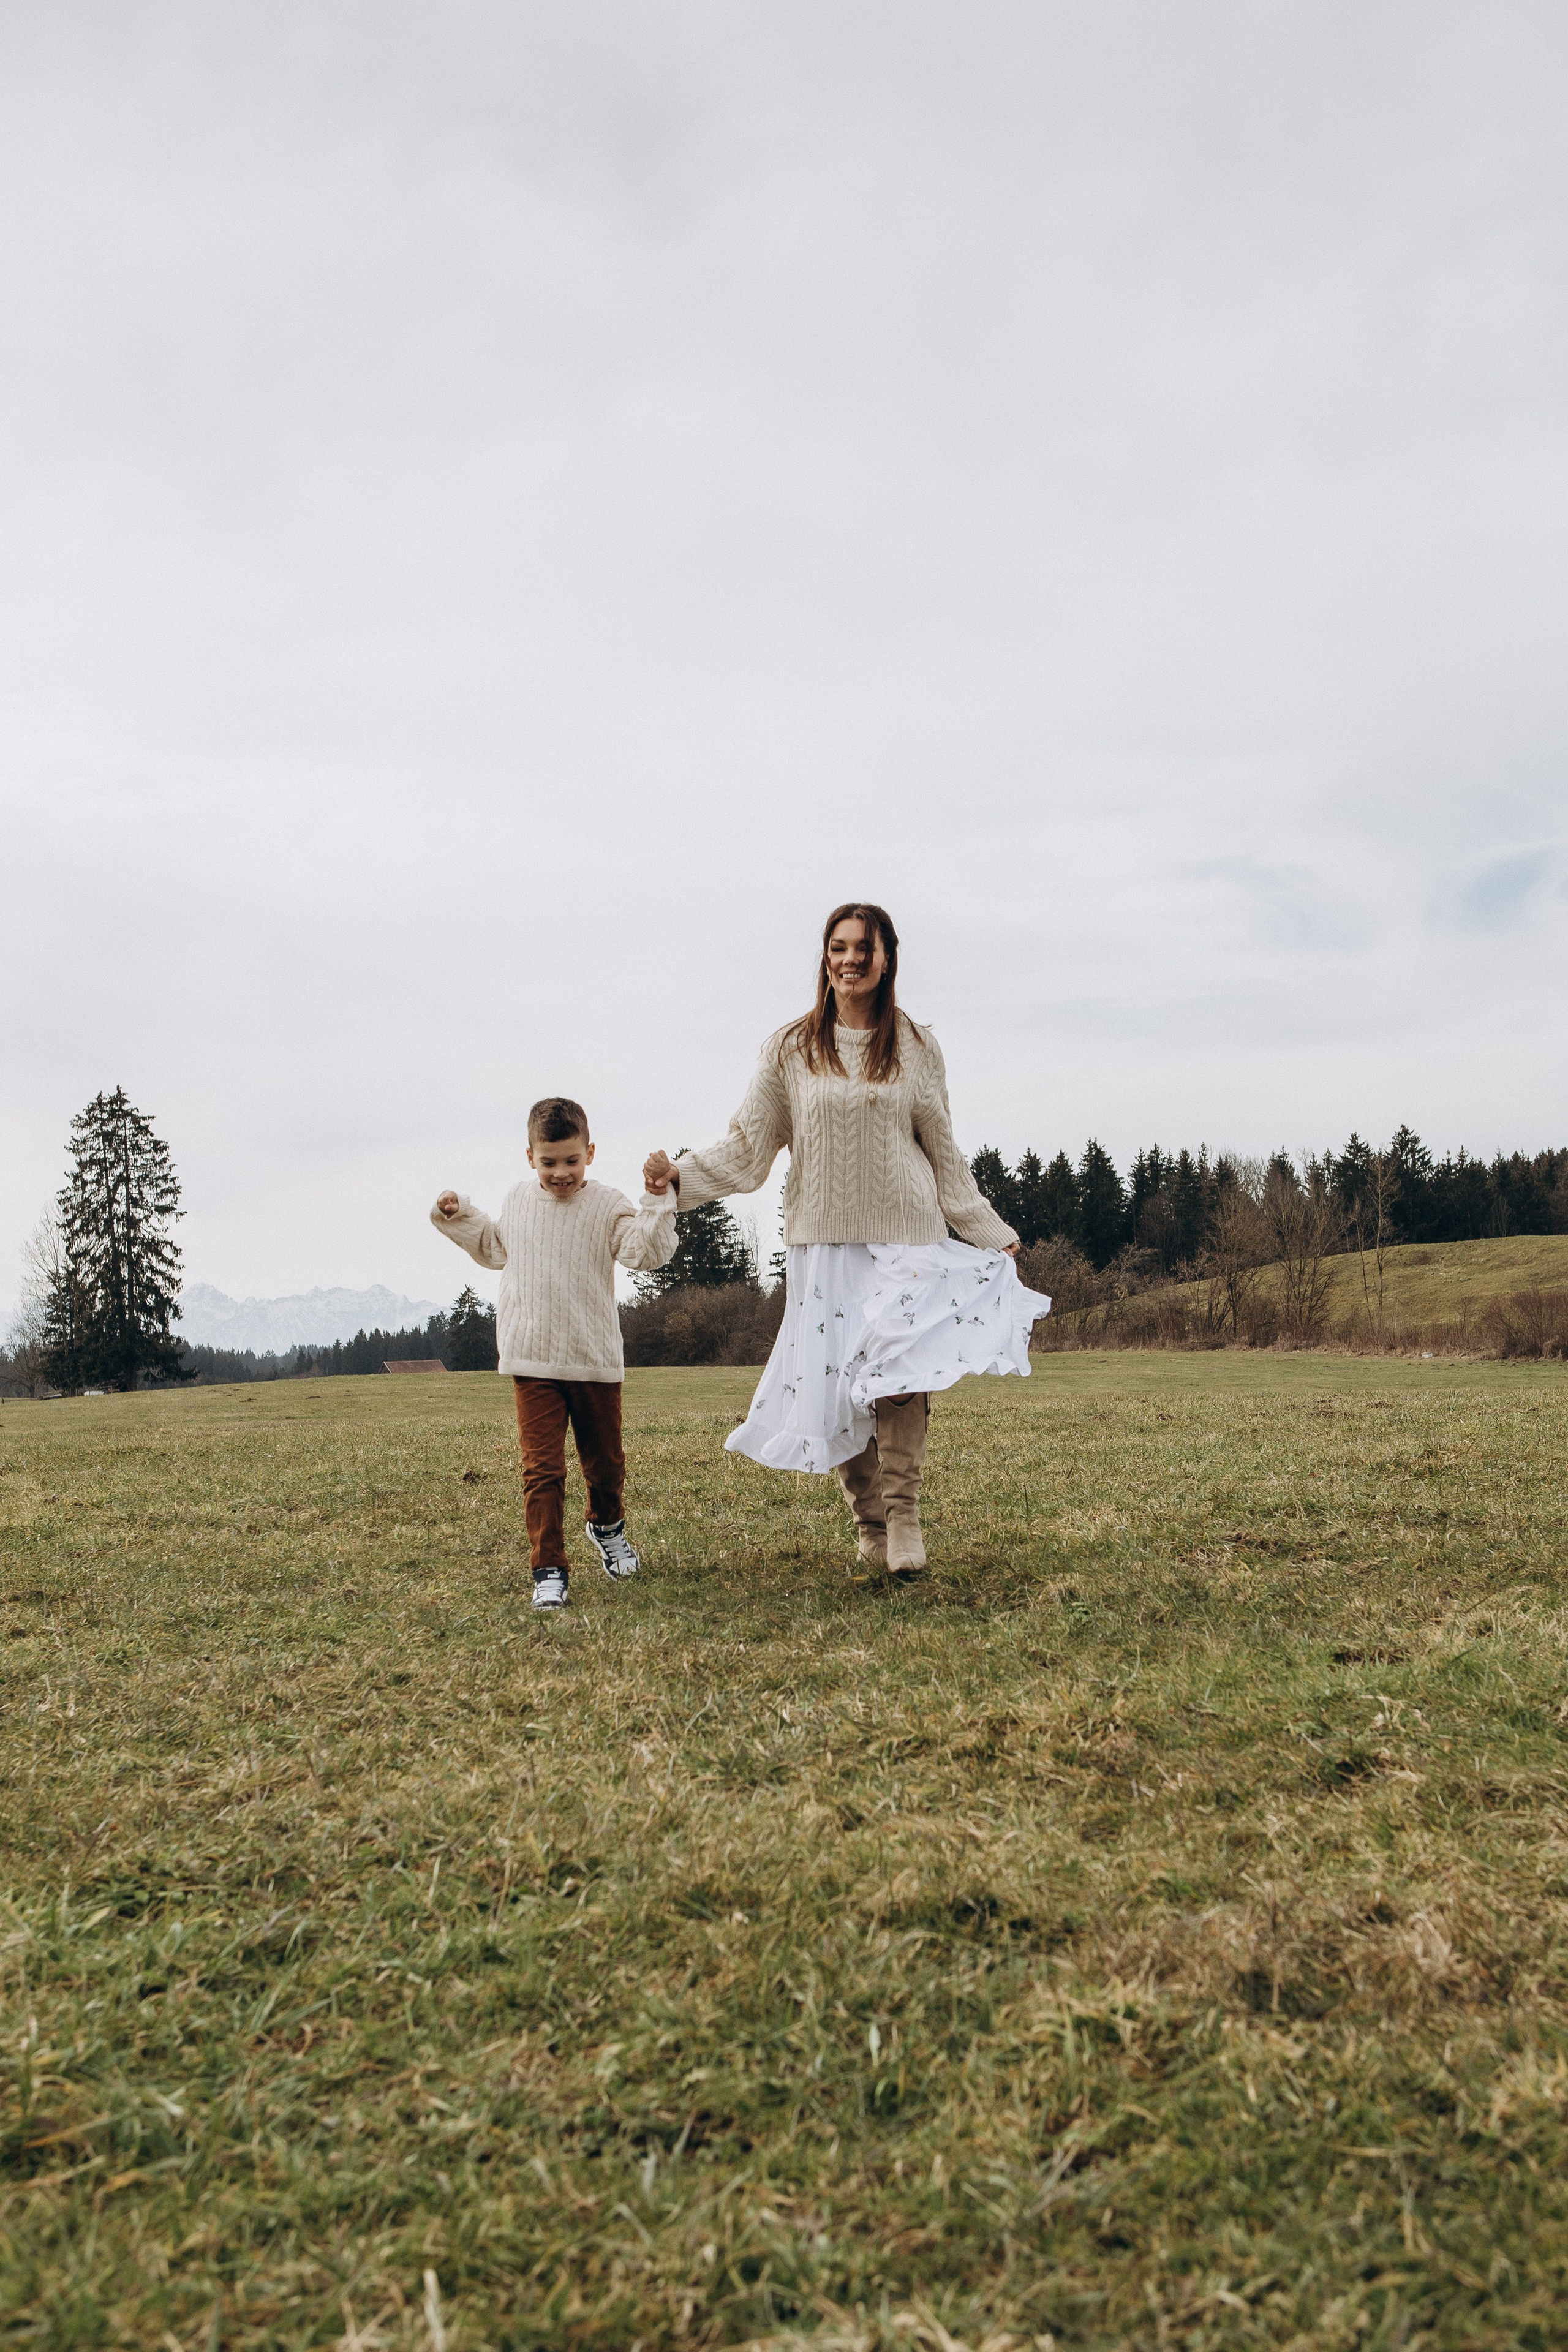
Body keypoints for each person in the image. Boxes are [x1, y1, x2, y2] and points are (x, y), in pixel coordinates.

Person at [643, 903, 1050, 1581]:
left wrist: (988, 1231)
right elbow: (748, 1149)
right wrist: (678, 1178)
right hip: (825, 1243)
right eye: (838, 947)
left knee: (898, 1376)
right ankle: (871, 1522)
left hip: (907, 1237)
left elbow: (943, 1153)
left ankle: (906, 1516)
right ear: (824, 957)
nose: (850, 960)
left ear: (888, 957)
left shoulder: (916, 1046)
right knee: (840, 1382)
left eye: (864, 948)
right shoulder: (791, 1048)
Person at [432, 1096, 677, 1610]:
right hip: (532, 1360)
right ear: (530, 1158)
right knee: (542, 1471)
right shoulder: (520, 1200)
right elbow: (496, 1246)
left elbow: (646, 1252)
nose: (561, 1173)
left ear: (590, 1152)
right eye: (549, 1162)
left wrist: (657, 1197)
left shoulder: (609, 1204)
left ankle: (607, 1527)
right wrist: (457, 1213)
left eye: (571, 1160)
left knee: (606, 1466)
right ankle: (548, 1568)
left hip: (593, 1359)